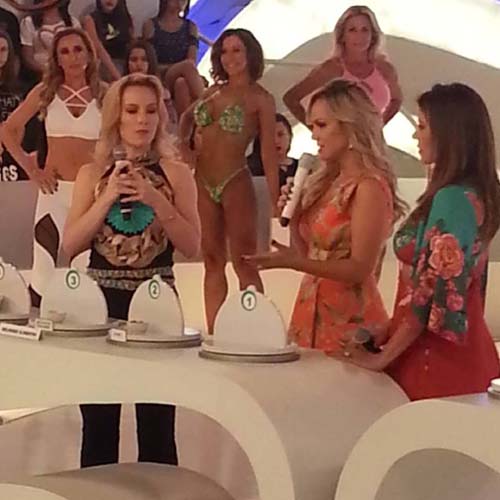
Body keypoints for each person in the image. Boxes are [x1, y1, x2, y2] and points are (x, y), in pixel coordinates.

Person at [62, 73, 200, 467]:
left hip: (157, 301)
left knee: (157, 424)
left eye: (151, 111)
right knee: (98, 423)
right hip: (100, 303)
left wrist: (157, 201)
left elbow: (192, 245)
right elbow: (70, 245)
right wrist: (106, 197)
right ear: (116, 117)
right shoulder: (92, 174)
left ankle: (158, 491)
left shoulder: (177, 173)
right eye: (133, 110)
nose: (142, 120)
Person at [338, 83, 500, 400]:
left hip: (436, 361)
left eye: (422, 126)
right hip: (442, 352)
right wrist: (388, 329)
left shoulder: (453, 198)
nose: (415, 135)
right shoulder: (471, 194)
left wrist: (381, 358)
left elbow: (433, 292)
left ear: (449, 134)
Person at [246, 79, 406, 353]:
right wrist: (295, 215)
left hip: (349, 321)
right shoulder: (327, 182)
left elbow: (360, 268)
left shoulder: (369, 187)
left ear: (350, 126)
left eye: (321, 125)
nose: (314, 136)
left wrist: (295, 263)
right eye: (312, 127)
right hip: (309, 311)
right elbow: (309, 254)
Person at [180, 28, 279, 335]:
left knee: (244, 261)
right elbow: (185, 120)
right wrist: (186, 151)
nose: (230, 57)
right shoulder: (211, 92)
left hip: (236, 180)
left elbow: (268, 153)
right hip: (202, 181)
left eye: (237, 50)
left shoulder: (261, 99)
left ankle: (255, 330)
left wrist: (277, 200)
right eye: (224, 51)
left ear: (250, 53)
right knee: (211, 260)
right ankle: (215, 332)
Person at [1, 27, 105, 305]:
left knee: (83, 273)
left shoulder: (105, 95)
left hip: (89, 195)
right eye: (65, 51)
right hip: (53, 193)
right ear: (57, 59)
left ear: (89, 53)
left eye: (78, 49)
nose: (73, 57)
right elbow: (8, 130)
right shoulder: (45, 92)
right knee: (42, 272)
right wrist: (32, 171)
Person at [283, 5, 401, 126]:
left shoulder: (384, 68)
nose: (359, 36)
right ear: (342, 36)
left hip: (372, 138)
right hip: (337, 137)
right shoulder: (332, 68)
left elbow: (397, 100)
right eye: (352, 30)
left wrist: (379, 127)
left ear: (373, 35)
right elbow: (291, 98)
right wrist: (317, 129)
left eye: (365, 30)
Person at [143, 0, 204, 115]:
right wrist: (177, 67)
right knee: (186, 66)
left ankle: (184, 123)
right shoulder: (151, 25)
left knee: (181, 84)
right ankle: (208, 103)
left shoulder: (190, 27)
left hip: (182, 75)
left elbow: (192, 60)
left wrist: (180, 68)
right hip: (160, 75)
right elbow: (150, 62)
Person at [20, 0, 80, 78]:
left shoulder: (72, 22)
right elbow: (28, 57)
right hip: (41, 75)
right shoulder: (29, 22)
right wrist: (48, 71)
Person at [82, 0, 134, 81]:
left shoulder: (126, 18)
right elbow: (97, 48)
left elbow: (132, 44)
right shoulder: (90, 19)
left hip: (125, 63)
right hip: (103, 64)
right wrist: (117, 75)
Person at [248, 113, 298, 188]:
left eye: (280, 134)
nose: (276, 141)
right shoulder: (251, 168)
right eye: (270, 136)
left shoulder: (300, 167)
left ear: (290, 136)